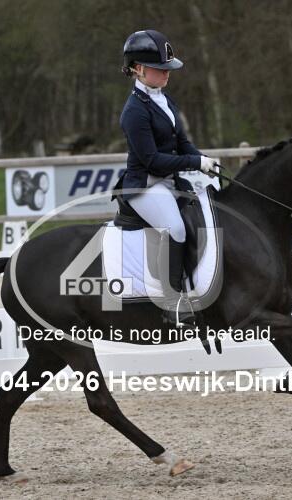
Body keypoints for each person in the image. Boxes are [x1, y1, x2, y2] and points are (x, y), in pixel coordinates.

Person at [116, 29, 220, 326]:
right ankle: (171, 301)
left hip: (170, 182)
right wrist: (194, 162)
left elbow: (182, 142)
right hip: (146, 186)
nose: (167, 73)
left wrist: (203, 161)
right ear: (138, 69)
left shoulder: (164, 99)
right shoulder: (134, 112)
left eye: (167, 68)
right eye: (160, 68)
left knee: (205, 215)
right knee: (175, 228)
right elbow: (152, 161)